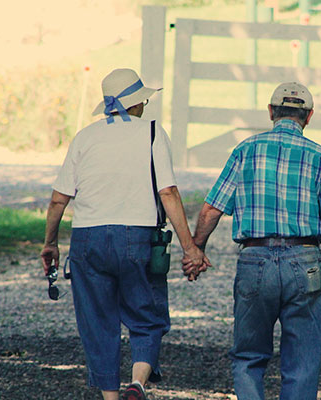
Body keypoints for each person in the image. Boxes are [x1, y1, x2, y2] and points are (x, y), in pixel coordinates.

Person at [41, 68, 207, 400]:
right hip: (136, 236)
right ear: (138, 103)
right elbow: (169, 193)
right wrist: (190, 247)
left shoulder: (84, 137)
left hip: (88, 239)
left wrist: (50, 243)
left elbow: (59, 198)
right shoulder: (152, 133)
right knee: (146, 314)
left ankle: (111, 397)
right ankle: (138, 383)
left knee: (98, 322)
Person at [184, 82, 321, 400]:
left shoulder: (245, 150)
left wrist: (196, 249)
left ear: (271, 112)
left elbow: (211, 209)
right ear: (309, 116)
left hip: (255, 259)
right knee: (302, 362)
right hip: (305, 261)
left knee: (248, 356)